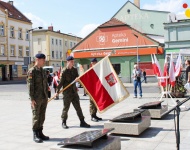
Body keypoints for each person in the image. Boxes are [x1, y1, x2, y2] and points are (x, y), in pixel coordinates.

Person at [55, 56, 90, 129]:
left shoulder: (74, 70)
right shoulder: (64, 71)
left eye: (73, 61)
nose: (73, 63)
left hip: (74, 92)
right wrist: (57, 91)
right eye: (71, 61)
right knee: (66, 108)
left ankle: (82, 121)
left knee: (78, 108)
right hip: (67, 93)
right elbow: (61, 82)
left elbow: (77, 78)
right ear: (68, 62)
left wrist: (78, 79)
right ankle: (64, 122)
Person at [26, 53, 49, 143]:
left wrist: (47, 92)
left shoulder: (43, 70)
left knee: (42, 116)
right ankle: (35, 134)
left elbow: (45, 83)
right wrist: (31, 99)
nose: (44, 61)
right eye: (43, 60)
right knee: (36, 116)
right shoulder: (32, 71)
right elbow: (30, 86)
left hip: (43, 97)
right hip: (36, 98)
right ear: (37, 60)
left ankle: (40, 132)